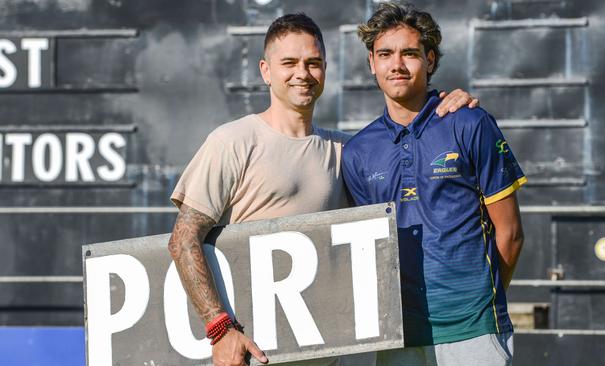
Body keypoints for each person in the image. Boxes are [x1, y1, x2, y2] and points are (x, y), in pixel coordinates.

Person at [167, 12, 478, 366]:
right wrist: (219, 328)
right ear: (266, 71)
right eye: (289, 63)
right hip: (253, 356)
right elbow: (183, 238)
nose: (302, 73)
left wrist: (449, 105)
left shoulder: (347, 151)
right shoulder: (232, 142)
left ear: (325, 70)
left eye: (313, 63)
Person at [342, 3, 526, 366]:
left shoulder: (470, 123)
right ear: (371, 63)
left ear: (429, 59)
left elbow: (511, 234)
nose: (396, 64)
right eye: (385, 54)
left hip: (474, 333)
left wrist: (477, 306)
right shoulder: (357, 152)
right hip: (399, 339)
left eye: (409, 53)